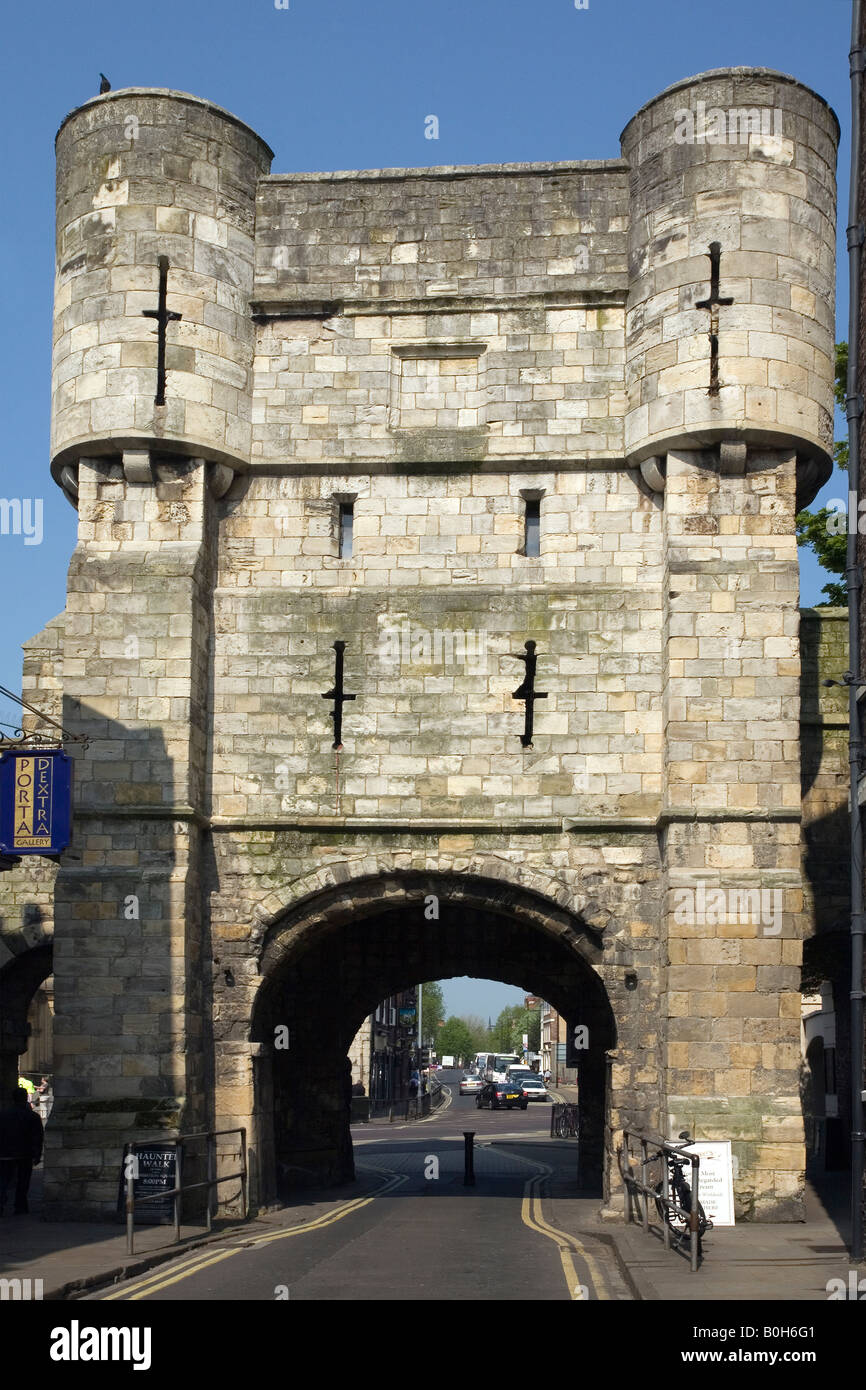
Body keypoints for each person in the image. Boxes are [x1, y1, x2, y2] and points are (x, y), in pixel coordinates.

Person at [0, 1088, 44, 1215]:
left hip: (5, 1153)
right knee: (23, 1181)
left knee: (3, 1180)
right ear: (26, 1098)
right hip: (25, 1153)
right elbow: (38, 1136)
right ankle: (20, 1206)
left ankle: (1, 1204)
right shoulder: (33, 1116)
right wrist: (37, 1154)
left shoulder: (3, 1114)